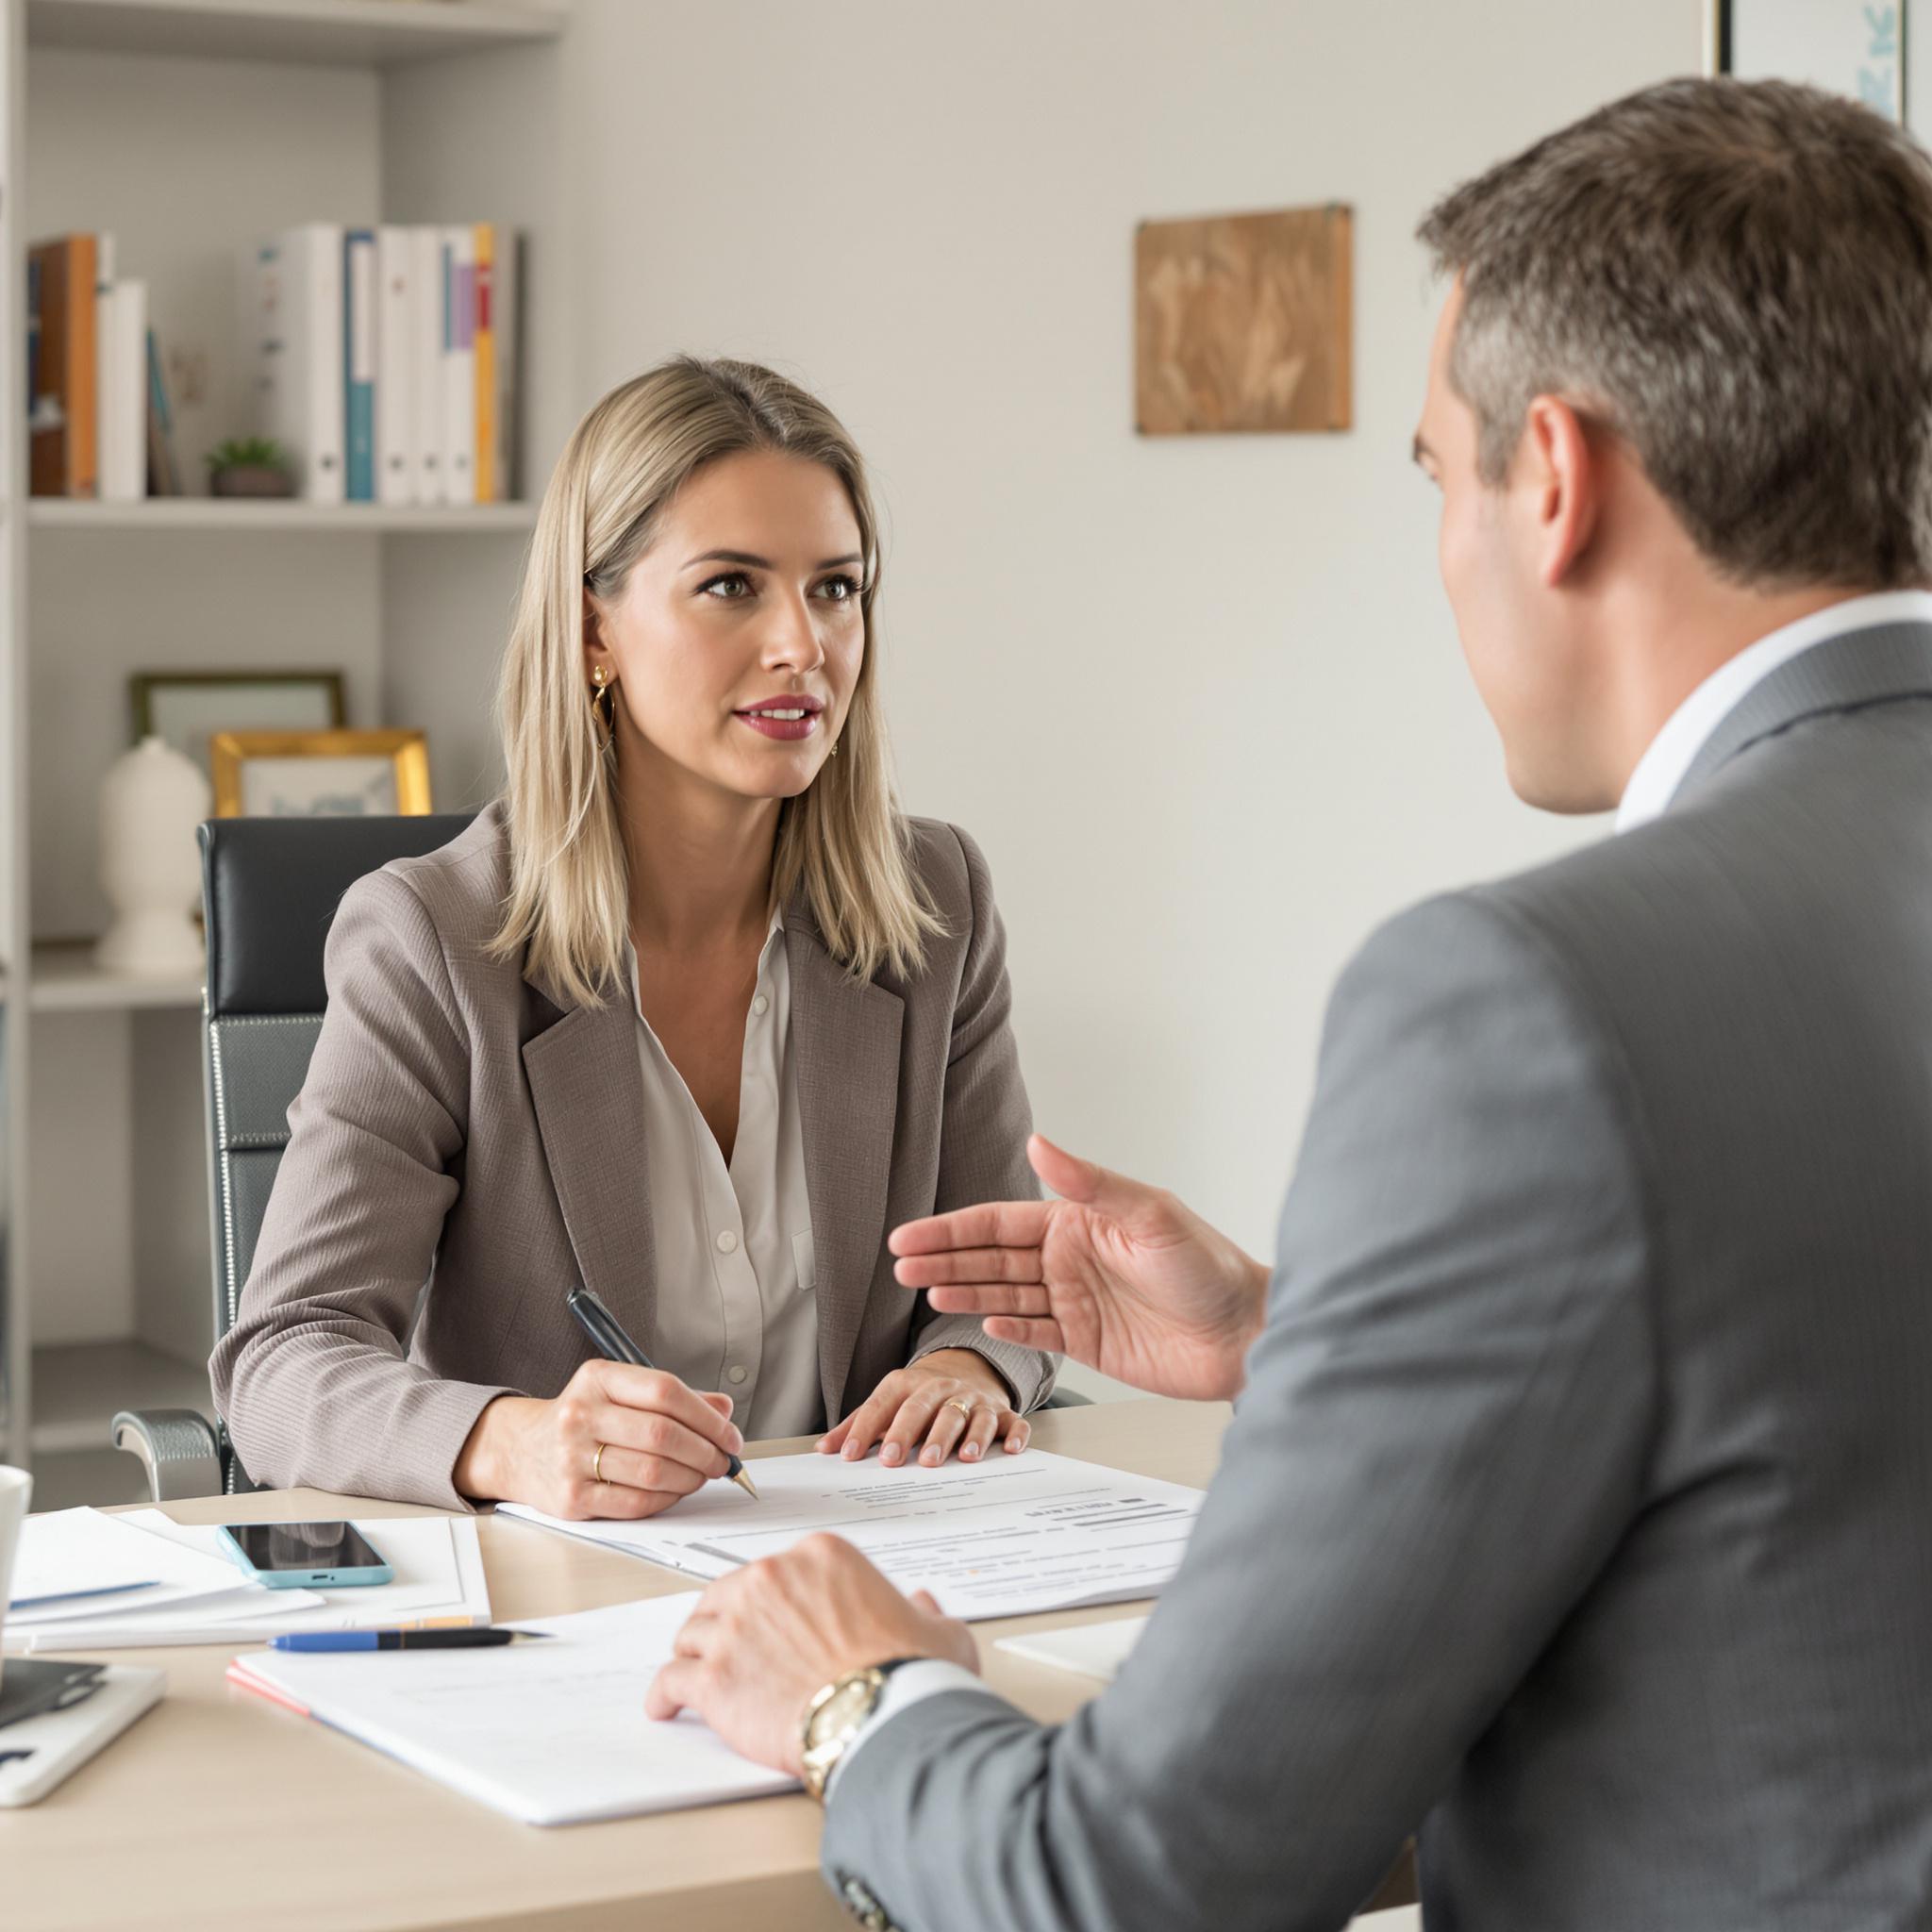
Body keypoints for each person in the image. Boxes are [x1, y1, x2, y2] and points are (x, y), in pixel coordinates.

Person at [643, 78, 1932, 1930]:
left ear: (1551, 482)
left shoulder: (1526, 1001)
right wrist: (1302, 1326)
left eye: (1435, 473)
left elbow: (1144, 1882)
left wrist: (856, 1688)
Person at [210, 358, 1056, 1517]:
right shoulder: (434, 940)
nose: (801, 645)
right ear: (594, 626)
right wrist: (514, 1443)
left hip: (873, 1559)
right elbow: (282, 1359)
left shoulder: (933, 904)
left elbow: (996, 1279)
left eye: (836, 588)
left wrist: (966, 1363)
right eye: (730, 586)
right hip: (570, 1595)